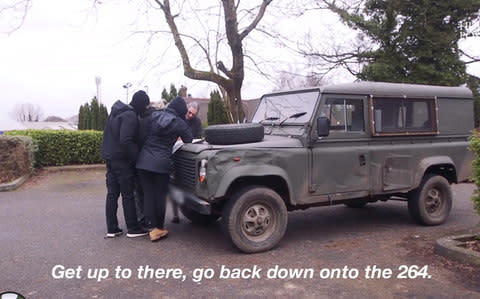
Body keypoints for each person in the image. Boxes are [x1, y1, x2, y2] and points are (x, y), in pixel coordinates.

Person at [136, 96, 193, 242]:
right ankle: (159, 229)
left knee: (148, 195)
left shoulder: (154, 115)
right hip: (161, 164)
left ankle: (151, 227)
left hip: (143, 161)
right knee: (160, 196)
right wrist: (184, 122)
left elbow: (143, 135)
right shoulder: (178, 122)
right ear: (181, 111)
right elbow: (189, 139)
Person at [101, 90, 150, 238]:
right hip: (122, 160)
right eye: (146, 106)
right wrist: (136, 158)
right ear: (141, 104)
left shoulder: (116, 113)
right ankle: (133, 228)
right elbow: (126, 140)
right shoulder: (130, 115)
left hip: (109, 158)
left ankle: (112, 229)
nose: (146, 109)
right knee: (128, 194)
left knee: (112, 194)